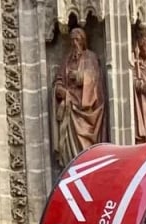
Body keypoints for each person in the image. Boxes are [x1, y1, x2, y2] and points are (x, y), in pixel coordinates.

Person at [51, 27, 107, 166]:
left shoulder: (90, 57)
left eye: (77, 39)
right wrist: (59, 89)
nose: (74, 43)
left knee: (86, 151)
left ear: (83, 41)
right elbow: (59, 78)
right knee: (72, 155)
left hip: (85, 110)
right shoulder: (67, 60)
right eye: (72, 40)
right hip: (70, 110)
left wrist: (80, 77)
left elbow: (95, 78)